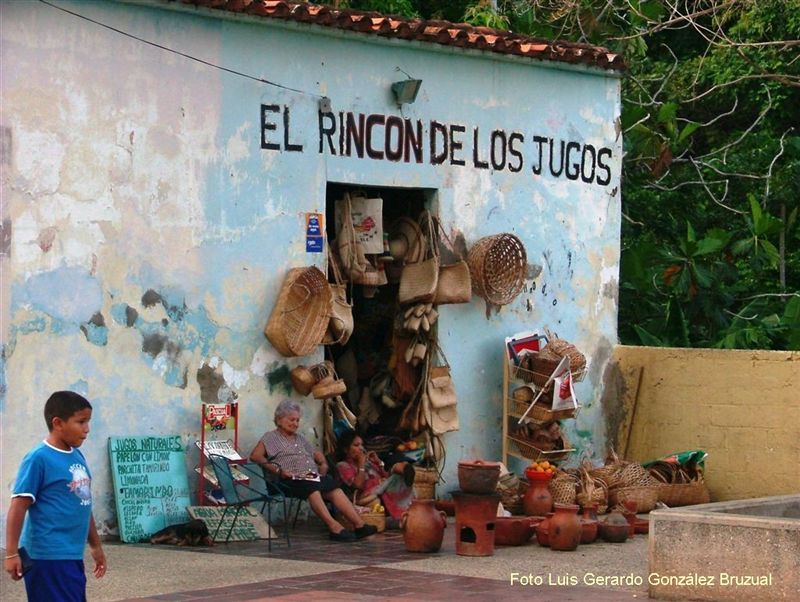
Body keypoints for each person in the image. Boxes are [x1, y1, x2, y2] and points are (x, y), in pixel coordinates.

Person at [4, 391, 107, 601]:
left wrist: (96, 546)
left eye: (88, 422)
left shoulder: (76, 455)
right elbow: (18, 506)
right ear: (58, 423)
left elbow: (83, 504)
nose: (87, 429)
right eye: (81, 422)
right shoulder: (38, 459)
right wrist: (12, 553)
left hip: (71, 555)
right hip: (47, 556)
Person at [249, 399, 378, 542]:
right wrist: (278, 471)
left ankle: (360, 526)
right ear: (279, 420)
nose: (295, 424)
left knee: (334, 488)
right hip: (287, 480)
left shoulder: (301, 439)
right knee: (313, 489)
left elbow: (316, 455)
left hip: (310, 477)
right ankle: (334, 527)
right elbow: (255, 456)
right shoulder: (270, 437)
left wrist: (323, 464)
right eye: (292, 420)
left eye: (297, 420)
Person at [335, 431, 415, 526]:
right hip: (365, 496)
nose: (361, 448)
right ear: (345, 449)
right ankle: (400, 469)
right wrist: (361, 465)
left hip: (382, 489)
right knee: (396, 478)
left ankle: (403, 471)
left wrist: (379, 463)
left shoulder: (368, 463)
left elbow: (385, 477)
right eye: (356, 445)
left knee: (399, 478)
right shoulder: (343, 465)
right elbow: (358, 485)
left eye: (362, 445)